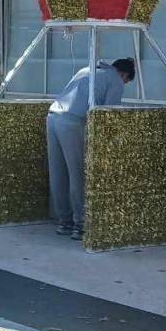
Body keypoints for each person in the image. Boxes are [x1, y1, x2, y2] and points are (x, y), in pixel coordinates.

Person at [47, 57, 135, 241]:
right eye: (126, 82)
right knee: (77, 173)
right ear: (124, 74)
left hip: (53, 117)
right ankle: (81, 225)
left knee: (58, 173)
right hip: (72, 122)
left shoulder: (87, 70)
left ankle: (64, 222)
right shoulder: (116, 80)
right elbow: (107, 114)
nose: (124, 85)